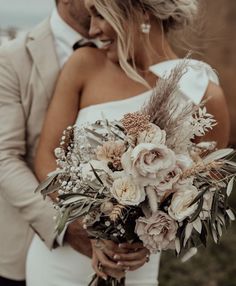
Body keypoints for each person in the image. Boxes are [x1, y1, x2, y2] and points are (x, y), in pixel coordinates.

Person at [27, 0, 230, 285]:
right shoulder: (84, 64)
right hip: (61, 262)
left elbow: (203, 195)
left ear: (141, 11)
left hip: (135, 266)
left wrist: (148, 239)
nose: (92, 29)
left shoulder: (202, 93)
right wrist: (85, 229)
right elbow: (47, 156)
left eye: (100, 14)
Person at [0, 0, 102, 285]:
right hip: (26, 240)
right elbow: (4, 157)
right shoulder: (10, 57)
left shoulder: (122, 53)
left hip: (107, 247)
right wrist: (65, 225)